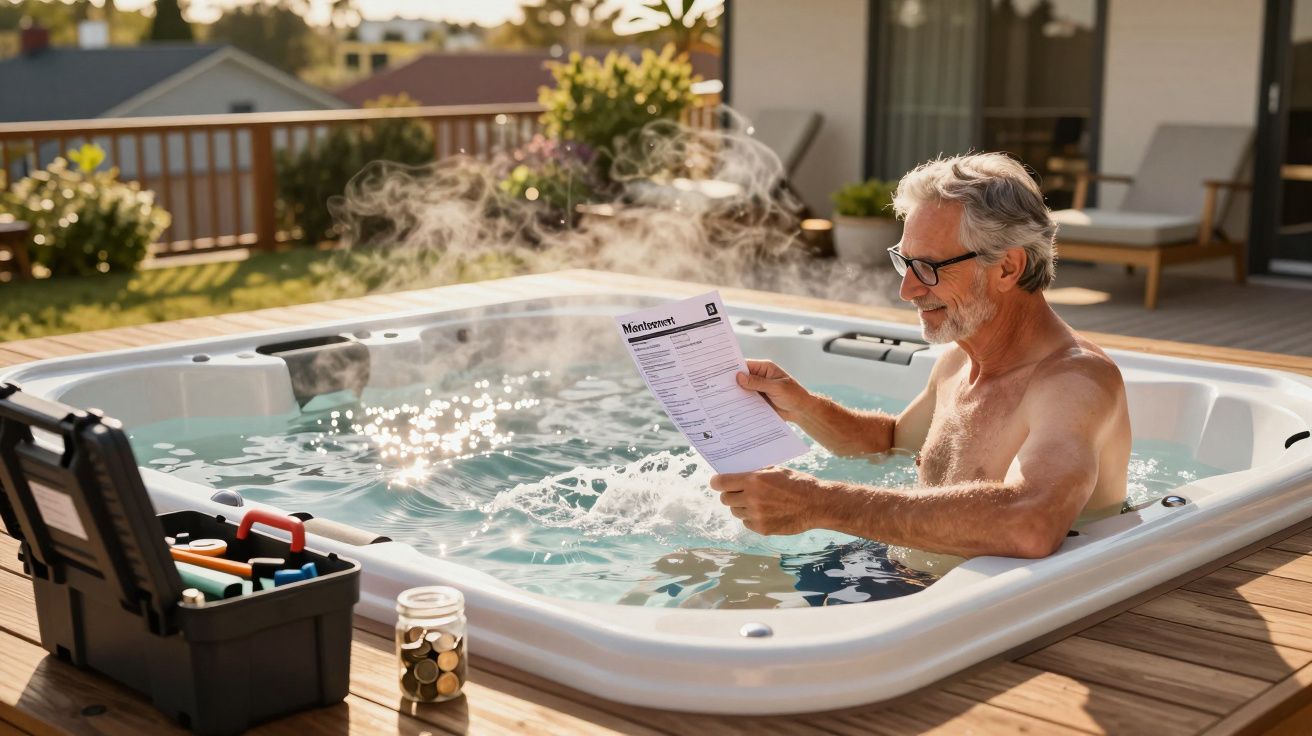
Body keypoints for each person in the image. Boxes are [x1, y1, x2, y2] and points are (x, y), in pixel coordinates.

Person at [710, 153, 1131, 562]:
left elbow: (1031, 523)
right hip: (904, 578)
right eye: (905, 262)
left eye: (928, 267)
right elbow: (892, 442)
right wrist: (802, 406)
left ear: (1007, 268)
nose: (907, 290)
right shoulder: (958, 361)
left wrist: (819, 503)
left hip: (977, 613)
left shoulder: (1075, 383)